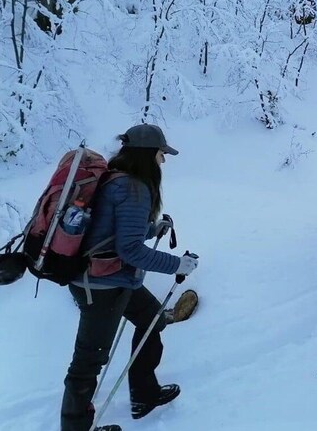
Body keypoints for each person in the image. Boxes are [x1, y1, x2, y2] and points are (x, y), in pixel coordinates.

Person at [61, 124, 199, 431]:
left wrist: (152, 228)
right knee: (88, 362)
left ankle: (144, 394)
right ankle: (75, 427)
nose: (164, 160)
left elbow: (109, 231)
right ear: (149, 154)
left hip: (109, 278)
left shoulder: (114, 179)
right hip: (102, 285)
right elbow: (131, 251)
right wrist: (178, 264)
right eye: (163, 154)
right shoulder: (134, 187)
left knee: (152, 321)